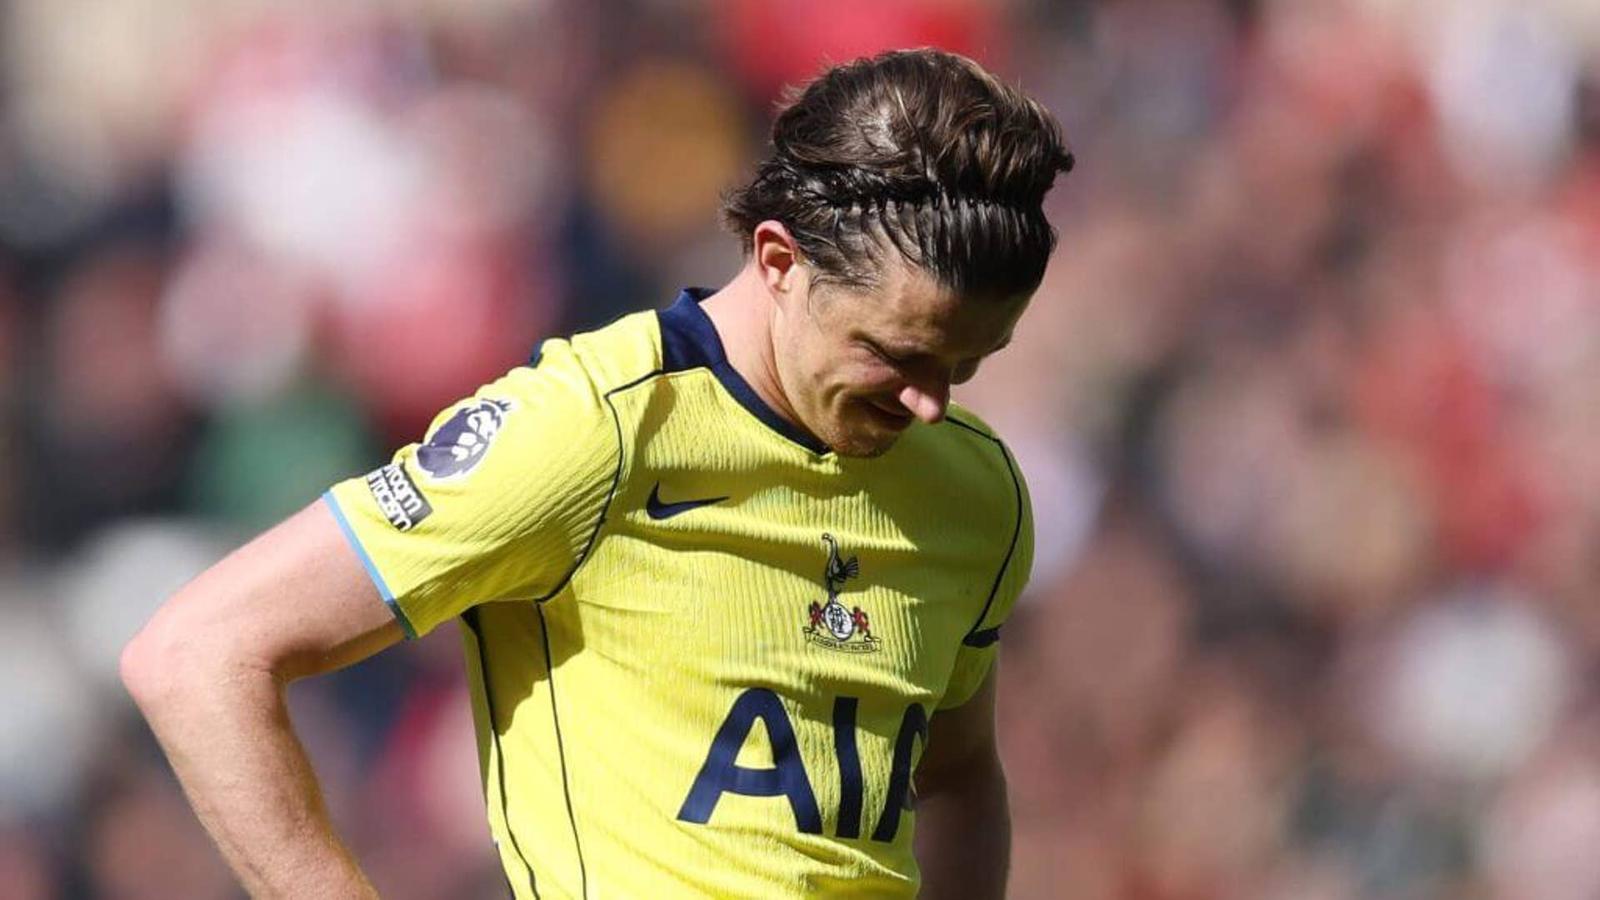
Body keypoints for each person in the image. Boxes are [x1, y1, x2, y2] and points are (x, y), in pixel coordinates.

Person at [121, 47, 1073, 899]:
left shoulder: (975, 489)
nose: (931, 404)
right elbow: (199, 656)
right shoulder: (589, 428)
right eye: (895, 355)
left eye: (965, 364)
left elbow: (955, 775)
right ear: (780, 260)